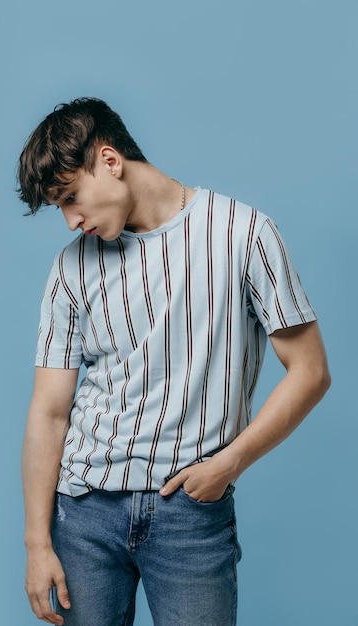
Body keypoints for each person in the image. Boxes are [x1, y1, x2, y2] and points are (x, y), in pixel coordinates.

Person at [17, 97, 330, 626]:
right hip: (85, 515)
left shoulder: (243, 234)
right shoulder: (70, 269)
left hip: (191, 517)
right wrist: (36, 544)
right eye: (60, 208)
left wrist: (231, 463)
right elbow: (48, 412)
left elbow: (311, 371)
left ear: (110, 161)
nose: (71, 221)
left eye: (72, 198)